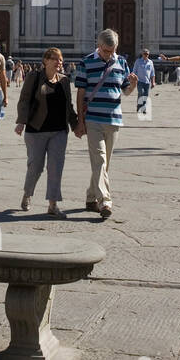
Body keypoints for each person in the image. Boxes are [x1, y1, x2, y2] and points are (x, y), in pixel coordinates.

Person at [75, 29, 138, 219]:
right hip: (93, 119)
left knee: (103, 164)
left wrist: (133, 85)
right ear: (99, 46)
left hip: (114, 120)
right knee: (100, 160)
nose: (109, 54)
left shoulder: (122, 62)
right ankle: (105, 202)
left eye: (112, 51)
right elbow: (80, 93)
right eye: (106, 51)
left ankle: (90, 197)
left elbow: (125, 91)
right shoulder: (86, 62)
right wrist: (80, 121)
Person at [15, 48, 77, 218]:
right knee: (36, 167)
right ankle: (27, 194)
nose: (59, 62)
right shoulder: (34, 77)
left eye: (61, 59)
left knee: (56, 167)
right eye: (55, 59)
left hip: (59, 131)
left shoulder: (64, 81)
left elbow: (69, 106)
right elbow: (24, 100)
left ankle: (53, 204)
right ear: (46, 61)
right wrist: (21, 121)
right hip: (36, 130)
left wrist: (76, 125)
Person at [133, 49, 155, 114]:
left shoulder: (150, 62)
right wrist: (133, 79)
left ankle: (143, 108)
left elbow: (152, 73)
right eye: (145, 54)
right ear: (142, 54)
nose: (146, 55)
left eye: (147, 54)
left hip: (147, 82)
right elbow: (134, 71)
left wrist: (153, 82)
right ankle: (139, 107)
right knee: (141, 93)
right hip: (139, 81)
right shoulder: (138, 61)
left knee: (146, 95)